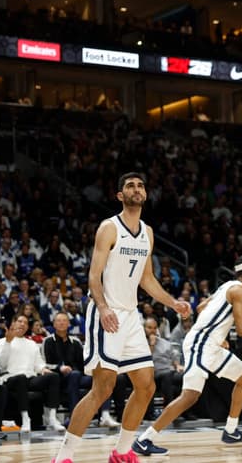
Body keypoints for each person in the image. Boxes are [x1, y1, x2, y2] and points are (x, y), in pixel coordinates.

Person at [51, 172, 191, 463]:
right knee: (103, 388)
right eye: (130, 186)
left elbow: (147, 279)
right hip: (108, 314)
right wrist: (102, 308)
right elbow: (93, 275)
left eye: (141, 185)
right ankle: (63, 456)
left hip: (130, 317)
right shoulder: (109, 228)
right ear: (120, 195)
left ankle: (122, 451)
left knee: (146, 385)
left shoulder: (148, 232)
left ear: (145, 194)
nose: (136, 189)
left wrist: (172, 302)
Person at [133, 256, 242, 455]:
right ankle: (144, 439)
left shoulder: (227, 286)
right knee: (190, 396)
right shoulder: (239, 291)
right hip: (200, 344)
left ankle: (231, 430)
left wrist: (218, 335)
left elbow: (201, 307)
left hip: (210, 344)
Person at [42, 311, 120, 427]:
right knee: (74, 375)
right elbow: (44, 364)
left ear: (69, 324)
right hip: (58, 378)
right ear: (54, 324)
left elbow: (83, 363)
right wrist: (60, 367)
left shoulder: (76, 341)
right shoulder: (47, 341)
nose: (62, 323)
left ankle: (105, 415)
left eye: (64, 321)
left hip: (77, 376)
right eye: (58, 321)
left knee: (102, 377)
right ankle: (75, 416)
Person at [0, 314, 64, 432]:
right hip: (10, 378)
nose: (22, 324)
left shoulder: (31, 344)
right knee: (21, 378)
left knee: (53, 377)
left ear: (27, 327)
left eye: (25, 323)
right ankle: (26, 419)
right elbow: (1, 363)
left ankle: (52, 418)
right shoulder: (2, 341)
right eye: (20, 321)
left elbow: (38, 364)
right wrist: (8, 342)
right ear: (13, 323)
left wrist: (43, 369)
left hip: (30, 378)